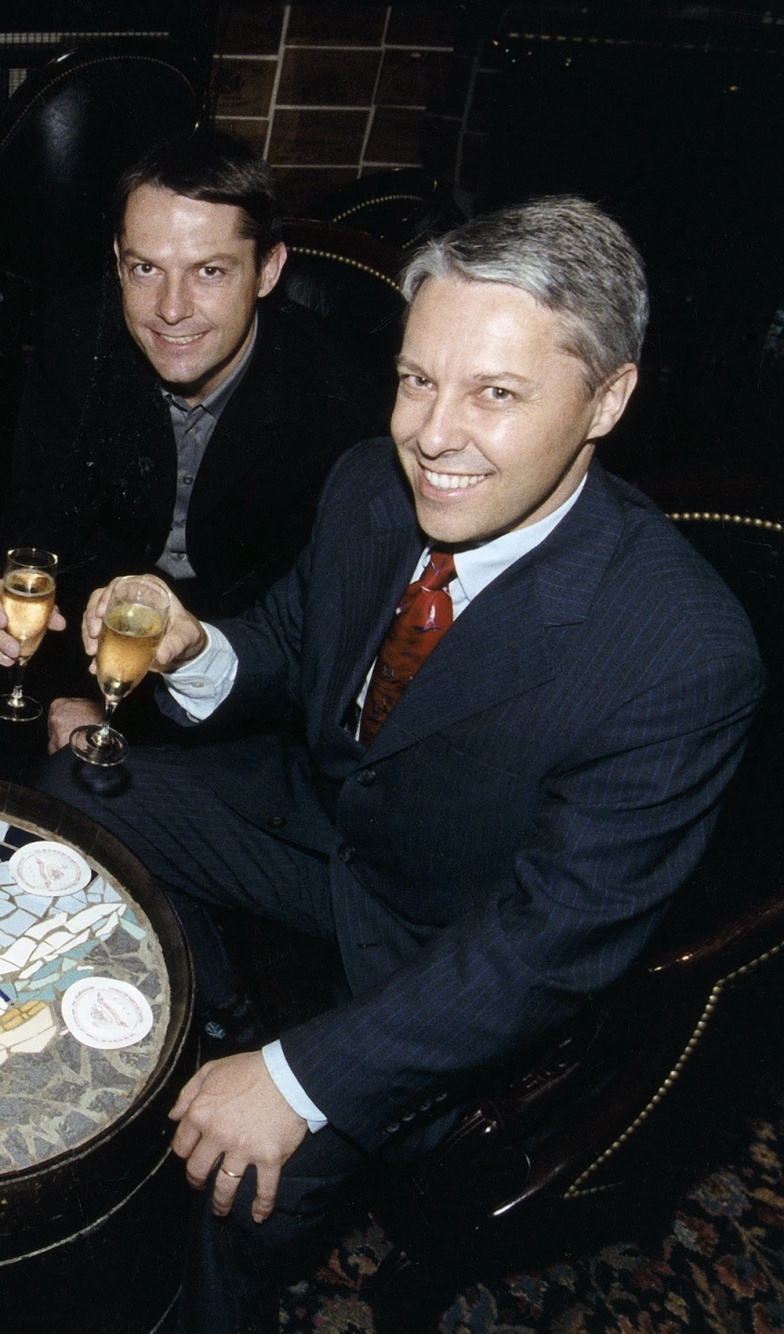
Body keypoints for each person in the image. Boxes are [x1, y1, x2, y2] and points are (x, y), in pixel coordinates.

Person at [39, 197, 763, 1332]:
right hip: (330, 831)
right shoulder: (370, 484)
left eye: (495, 394)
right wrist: (195, 646)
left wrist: (295, 1079)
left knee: (233, 1186)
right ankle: (212, 1012)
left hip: (446, 946)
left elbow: (541, 949)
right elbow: (292, 644)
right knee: (74, 785)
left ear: (606, 400)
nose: (431, 434)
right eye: (418, 379)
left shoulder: (681, 655)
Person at [0, 129, 386, 756]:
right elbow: (37, 516)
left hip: (238, 690)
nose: (170, 309)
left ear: (268, 269)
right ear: (117, 261)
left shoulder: (340, 397)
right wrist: (14, 618)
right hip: (83, 648)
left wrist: (132, 708)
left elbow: (309, 629)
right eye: (145, 269)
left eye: (209, 271)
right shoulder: (76, 337)